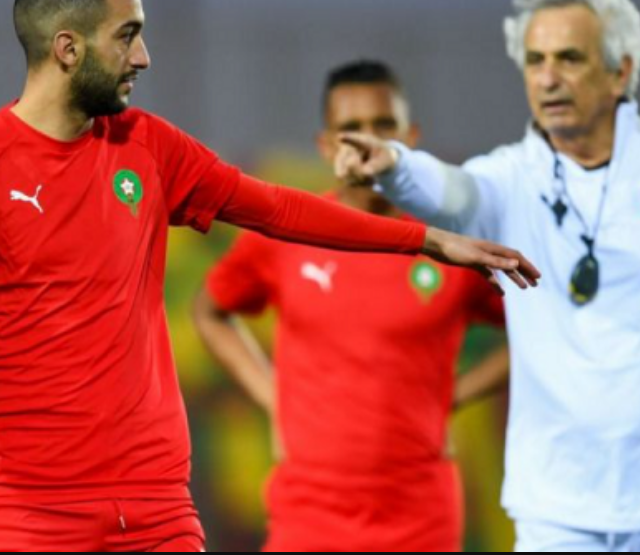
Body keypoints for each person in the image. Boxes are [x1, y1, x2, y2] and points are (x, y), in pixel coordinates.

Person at [0, 0, 538, 551]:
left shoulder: (145, 145)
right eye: (126, 36)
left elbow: (278, 207)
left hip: (157, 505)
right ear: (67, 47)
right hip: (34, 513)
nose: (143, 57)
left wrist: (426, 240)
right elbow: (214, 309)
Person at [335, 0, 640, 553]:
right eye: (535, 61)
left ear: (619, 73)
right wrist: (394, 165)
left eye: (569, 58)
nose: (547, 78)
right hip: (557, 509)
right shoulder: (510, 176)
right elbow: (452, 192)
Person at [194, 60, 511, 552]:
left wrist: (455, 394)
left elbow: (539, 332)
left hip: (420, 515)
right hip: (309, 515)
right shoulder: (289, 233)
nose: (367, 141)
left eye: (383, 126)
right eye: (351, 128)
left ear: (410, 137)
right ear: (326, 145)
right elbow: (210, 311)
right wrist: (273, 396)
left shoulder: (450, 246)